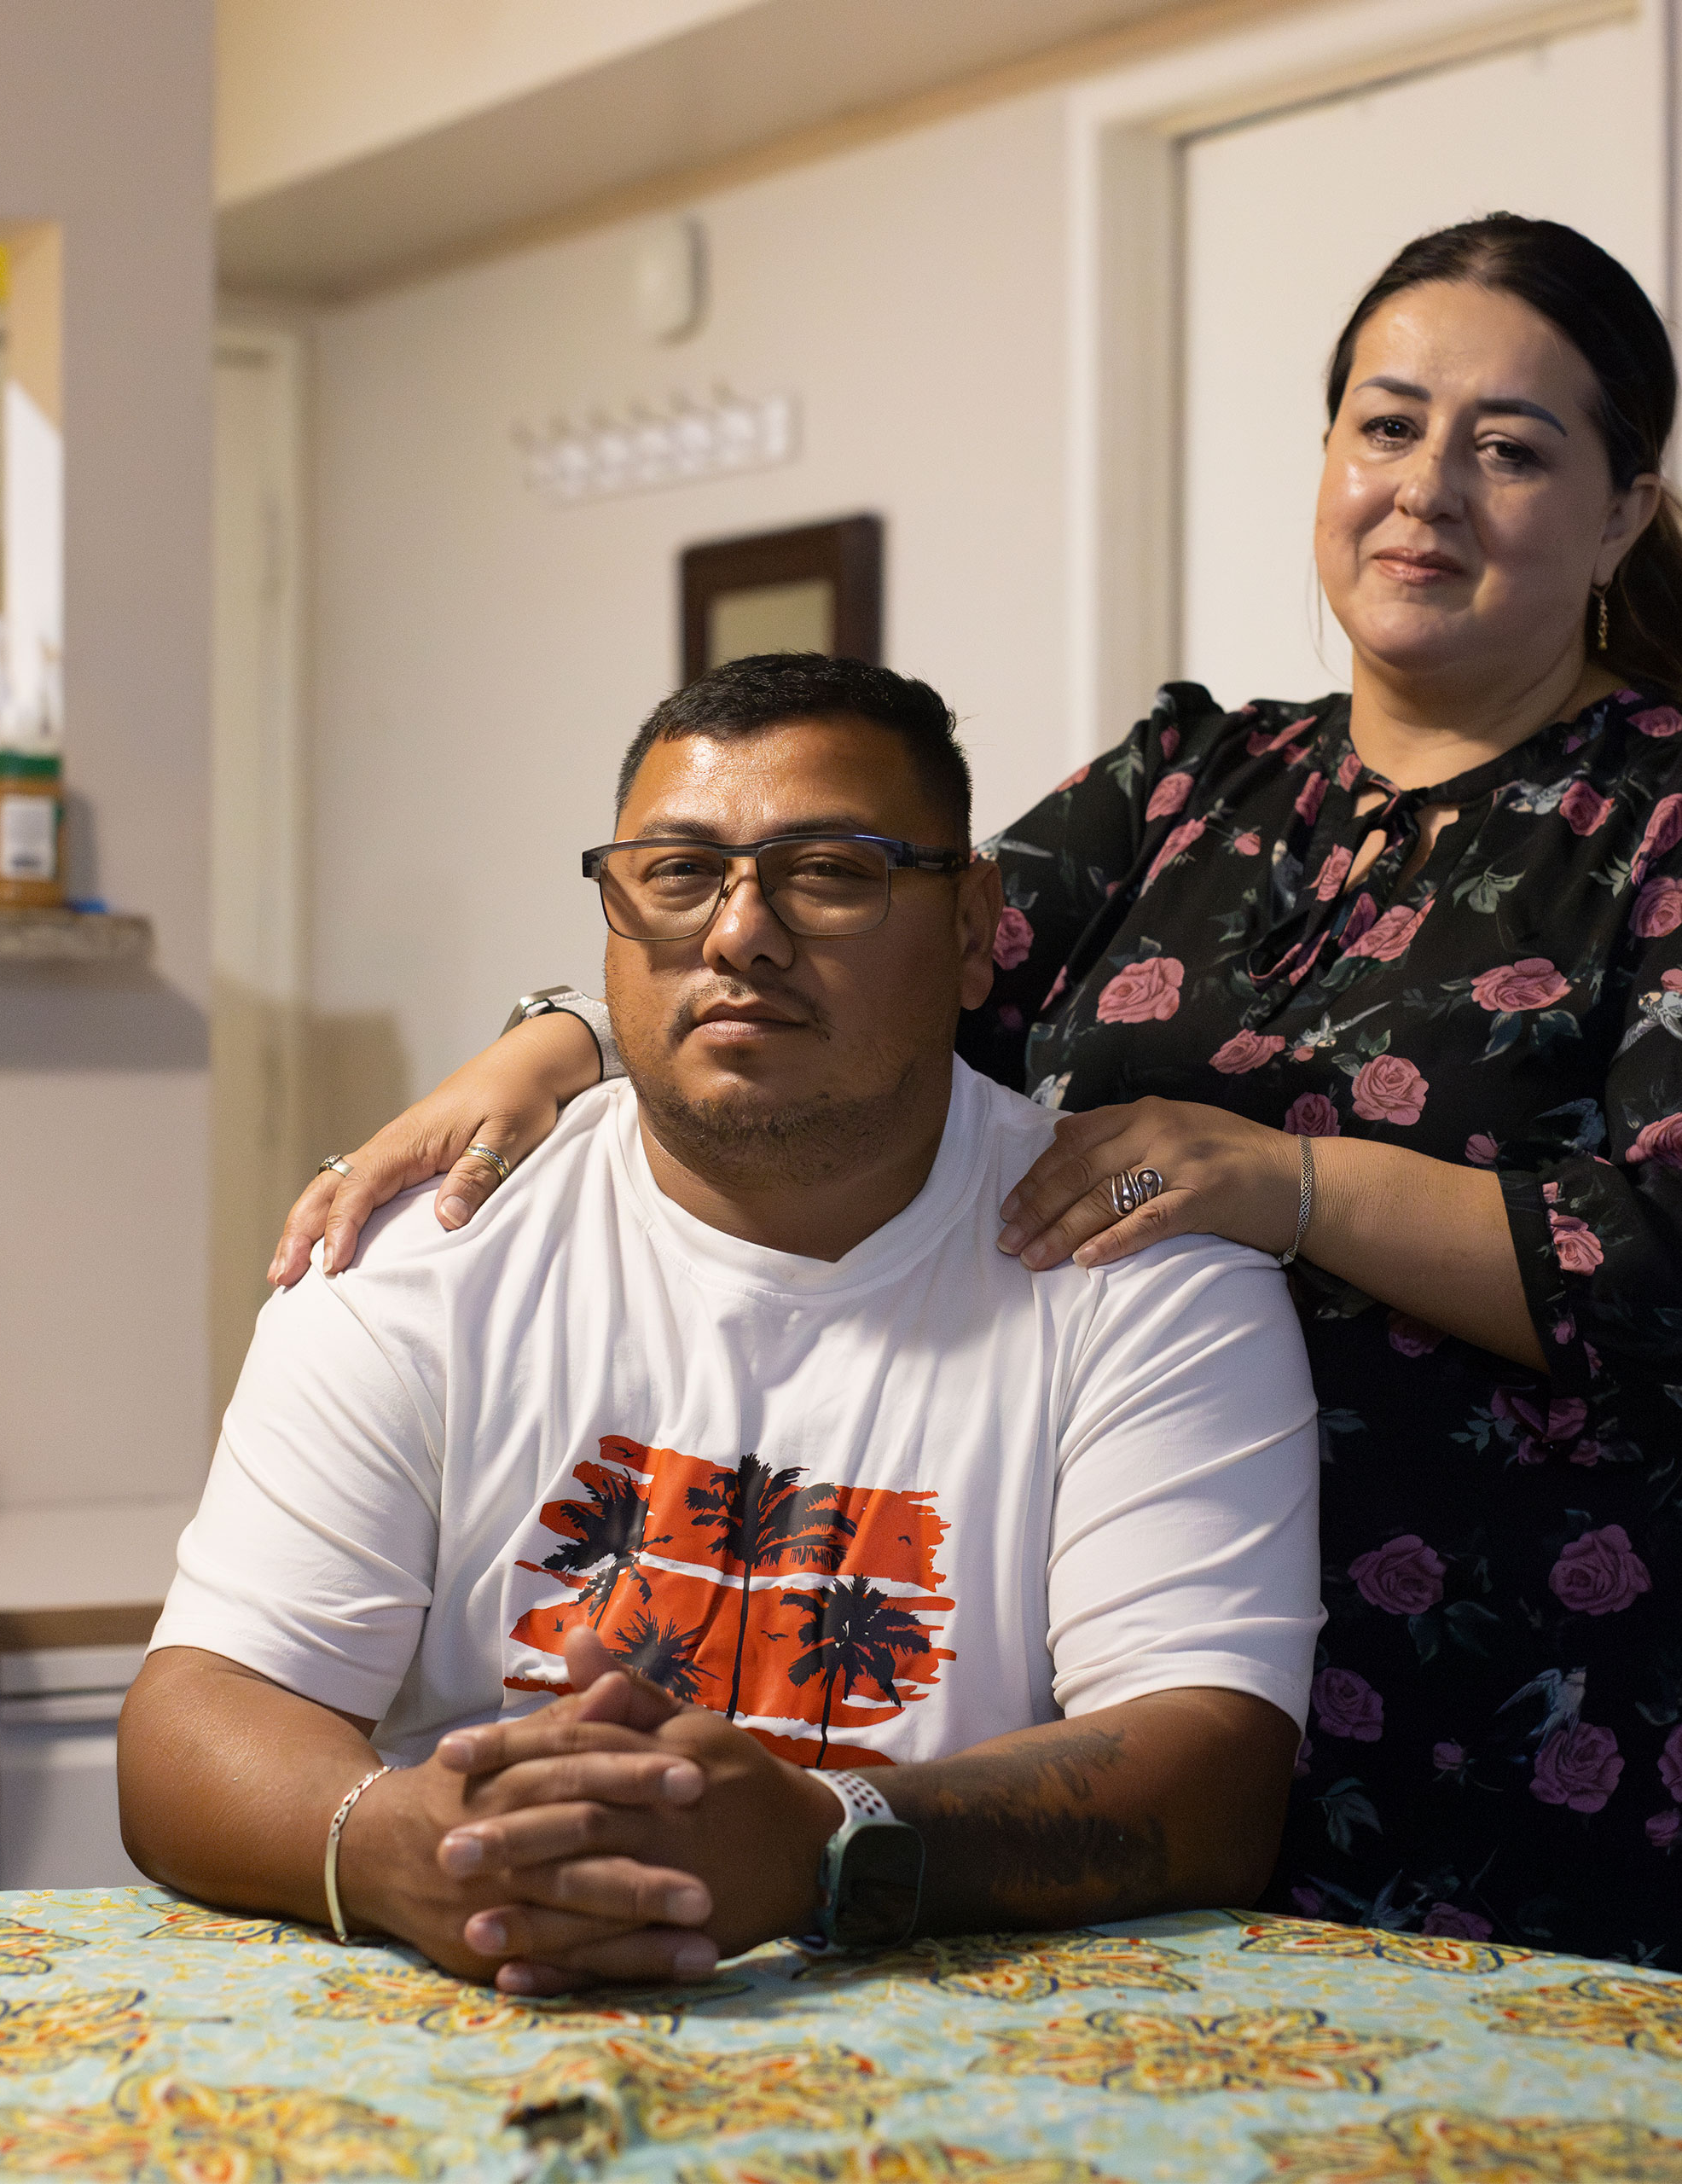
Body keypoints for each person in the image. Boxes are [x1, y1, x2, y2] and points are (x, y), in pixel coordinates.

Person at [274, 215, 1682, 2018]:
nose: (1429, 490)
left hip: (1643, 1736)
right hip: (1247, 1724)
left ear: (1621, 514)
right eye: (1386, 427)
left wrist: (1294, 1182)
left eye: (1512, 448)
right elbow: (885, 953)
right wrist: (552, 1047)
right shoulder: (1196, 780)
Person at [124, 653, 1323, 1994]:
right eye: (680, 875)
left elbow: (1208, 1766)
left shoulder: (1144, 1272)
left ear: (977, 922)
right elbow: (193, 1723)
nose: (740, 934)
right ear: (612, 922)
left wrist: (831, 1841)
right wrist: (396, 1844)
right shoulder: (413, 1254)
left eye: (831, 873)